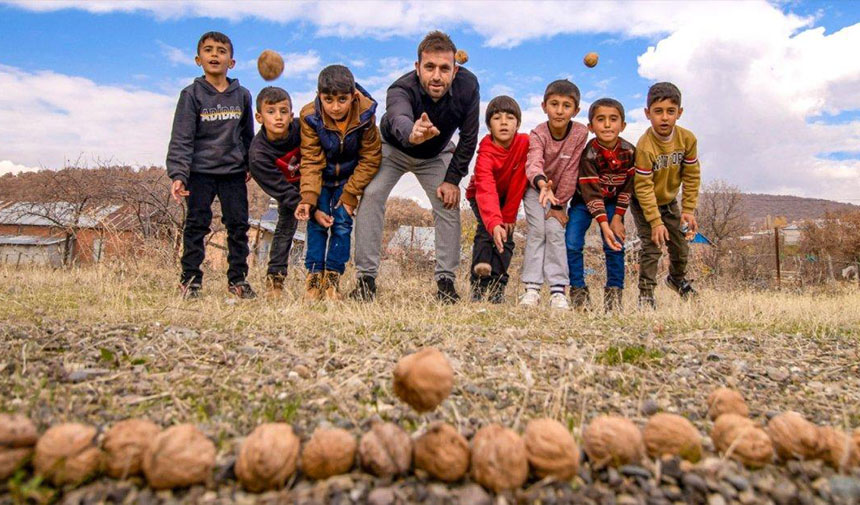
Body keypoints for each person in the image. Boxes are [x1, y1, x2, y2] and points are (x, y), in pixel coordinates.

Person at [351, 30, 480, 303]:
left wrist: (452, 179)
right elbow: (397, 115)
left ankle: (446, 282)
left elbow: (469, 137)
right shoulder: (400, 88)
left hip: (436, 154)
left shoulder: (469, 86)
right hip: (394, 148)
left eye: (444, 69)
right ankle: (365, 279)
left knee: (448, 201)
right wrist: (412, 132)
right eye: (429, 67)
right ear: (417, 67)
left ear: (455, 70)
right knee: (371, 194)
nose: (436, 76)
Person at [166, 31, 255, 299]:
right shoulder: (191, 95)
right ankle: (190, 280)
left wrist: (250, 163)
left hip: (233, 174)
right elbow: (182, 137)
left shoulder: (242, 95)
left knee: (238, 226)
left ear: (232, 62)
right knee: (196, 225)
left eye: (221, 50)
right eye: (208, 50)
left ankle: (237, 281)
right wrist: (179, 174)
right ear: (198, 59)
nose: (214, 54)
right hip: (200, 172)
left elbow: (247, 135)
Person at [294, 65, 381, 300]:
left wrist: (351, 193)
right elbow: (311, 159)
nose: (335, 107)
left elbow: (371, 156)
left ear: (353, 97)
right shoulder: (310, 116)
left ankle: (333, 279)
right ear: (319, 96)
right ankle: (314, 279)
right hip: (320, 177)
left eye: (342, 99)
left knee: (342, 225)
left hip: (349, 178)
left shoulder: (365, 115)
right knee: (317, 224)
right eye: (328, 99)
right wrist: (309, 198)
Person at [631, 82, 702, 308]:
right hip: (645, 204)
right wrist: (655, 222)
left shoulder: (687, 139)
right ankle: (646, 294)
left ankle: (677, 280)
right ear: (647, 114)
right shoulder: (645, 146)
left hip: (669, 201)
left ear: (679, 113)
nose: (664, 118)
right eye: (658, 112)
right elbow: (643, 187)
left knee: (680, 245)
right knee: (652, 247)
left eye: (670, 112)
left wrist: (688, 210)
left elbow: (691, 175)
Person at [521, 79, 588, 309]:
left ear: (576, 110)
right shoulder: (538, 133)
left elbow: (571, 171)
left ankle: (558, 290)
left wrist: (559, 205)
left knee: (555, 232)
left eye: (566, 105)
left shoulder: (580, 133)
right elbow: (533, 162)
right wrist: (541, 185)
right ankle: (532, 288)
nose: (560, 111)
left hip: (560, 195)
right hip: (535, 189)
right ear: (544, 106)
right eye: (554, 104)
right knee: (538, 231)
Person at [567, 98, 635, 312]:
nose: (607, 125)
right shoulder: (589, 154)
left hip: (614, 203)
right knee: (572, 243)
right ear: (591, 127)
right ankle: (579, 293)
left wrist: (617, 218)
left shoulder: (630, 152)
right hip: (584, 202)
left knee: (615, 245)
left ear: (622, 125)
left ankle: (614, 296)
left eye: (613, 119)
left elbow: (628, 187)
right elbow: (591, 193)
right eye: (600, 120)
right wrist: (603, 225)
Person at [464, 96, 529, 303]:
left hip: (508, 198)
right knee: (486, 230)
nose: (503, 122)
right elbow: (486, 189)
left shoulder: (524, 143)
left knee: (507, 238)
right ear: (489, 125)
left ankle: (497, 287)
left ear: (517, 124)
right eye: (496, 118)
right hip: (481, 195)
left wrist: (508, 216)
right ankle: (478, 284)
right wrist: (494, 222)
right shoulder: (485, 153)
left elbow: (520, 181)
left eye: (510, 118)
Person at [247, 86, 301, 295]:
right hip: (286, 189)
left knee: (324, 226)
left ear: (291, 114)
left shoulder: (302, 129)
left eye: (283, 111)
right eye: (271, 112)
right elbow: (281, 190)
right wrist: (304, 206)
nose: (278, 117)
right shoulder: (258, 154)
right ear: (259, 117)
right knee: (286, 226)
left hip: (313, 182)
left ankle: (322, 278)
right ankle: (275, 281)